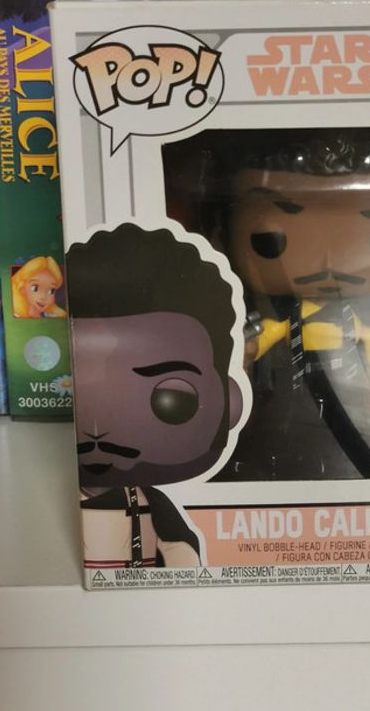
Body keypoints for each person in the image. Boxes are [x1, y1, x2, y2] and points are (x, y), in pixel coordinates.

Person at [66, 223, 245, 569]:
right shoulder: (57, 497)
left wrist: (182, 569)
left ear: (229, 402)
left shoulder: (151, 502)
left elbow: (180, 550)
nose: (99, 430)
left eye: (170, 399)